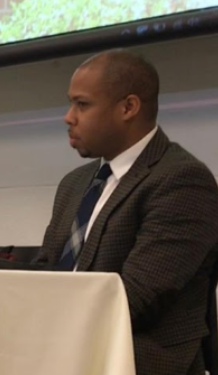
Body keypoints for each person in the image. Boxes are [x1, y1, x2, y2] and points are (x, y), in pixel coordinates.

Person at [37, 49, 218, 375]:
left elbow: (137, 299)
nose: (68, 117)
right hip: (62, 349)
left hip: (135, 361)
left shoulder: (182, 180)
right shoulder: (74, 184)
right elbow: (45, 272)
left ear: (128, 107)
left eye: (82, 104)